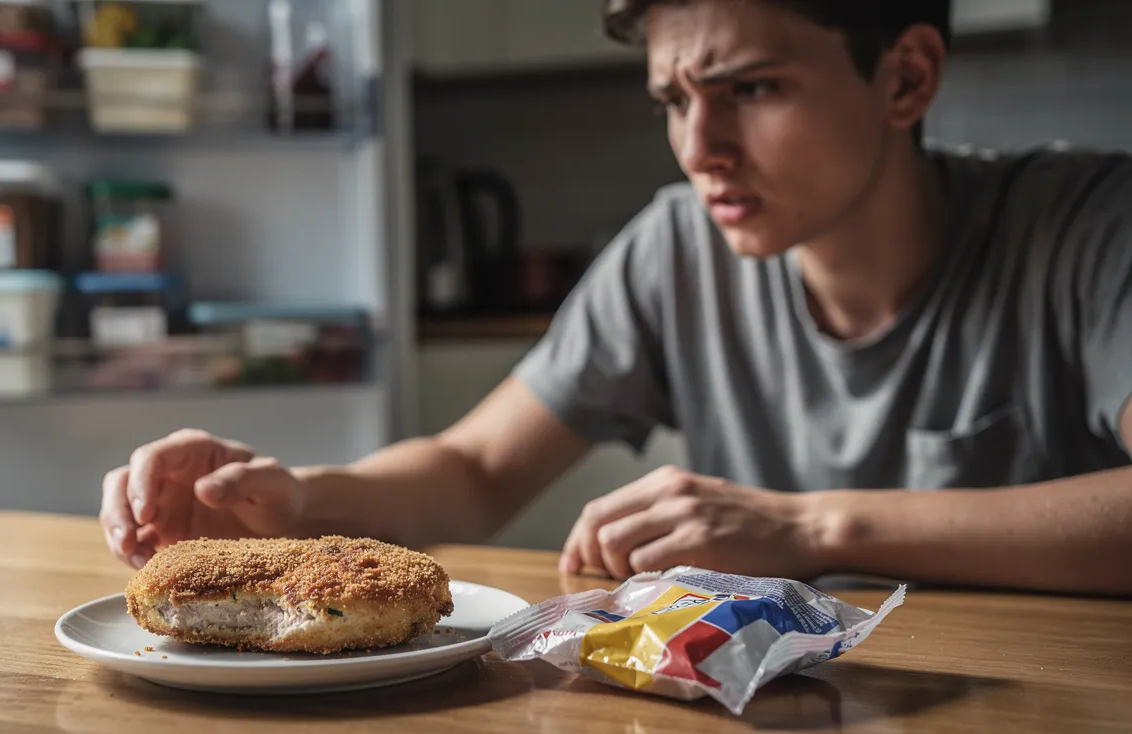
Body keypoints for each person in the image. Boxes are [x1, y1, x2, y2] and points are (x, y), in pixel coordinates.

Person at [100, 0, 1132, 595]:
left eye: (752, 90)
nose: (700, 148)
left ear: (906, 78)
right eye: (674, 100)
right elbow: (469, 467)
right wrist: (297, 497)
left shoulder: (1089, 225)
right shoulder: (676, 249)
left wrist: (812, 527)